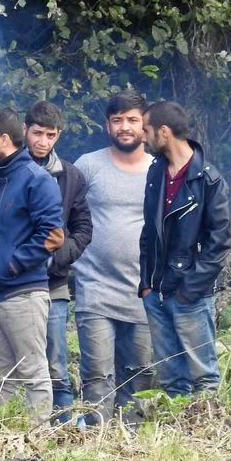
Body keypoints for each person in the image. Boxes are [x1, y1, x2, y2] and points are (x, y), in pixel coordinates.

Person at [0, 107, 65, 419]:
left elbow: (53, 236)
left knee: (33, 374)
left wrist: (11, 266)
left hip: (22, 294)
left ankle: (37, 452)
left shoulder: (37, 180)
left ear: (4, 139)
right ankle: (7, 447)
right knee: (3, 377)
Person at [71, 90, 157, 423]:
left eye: (132, 120)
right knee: (96, 375)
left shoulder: (158, 170)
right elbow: (66, 218)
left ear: (144, 125)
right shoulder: (88, 166)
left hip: (142, 291)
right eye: (117, 120)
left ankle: (131, 448)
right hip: (94, 288)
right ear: (107, 125)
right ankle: (97, 443)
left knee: (139, 375)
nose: (125, 127)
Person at [139, 101, 231, 397]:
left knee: (204, 378)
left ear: (164, 132)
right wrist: (146, 284)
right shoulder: (155, 173)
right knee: (170, 380)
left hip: (190, 293)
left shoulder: (209, 180)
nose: (143, 137)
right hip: (157, 292)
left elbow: (220, 242)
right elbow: (148, 232)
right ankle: (174, 439)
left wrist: (190, 288)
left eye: (146, 130)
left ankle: (207, 437)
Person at [23, 101, 92, 422]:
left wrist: (60, 258)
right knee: (18, 360)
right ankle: (21, 424)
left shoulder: (70, 175)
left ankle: (66, 427)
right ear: (25, 130)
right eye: (37, 133)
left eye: (50, 135)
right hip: (13, 281)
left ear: (58, 135)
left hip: (53, 283)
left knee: (56, 361)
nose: (43, 141)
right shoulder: (7, 168)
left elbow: (83, 227)